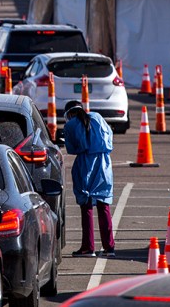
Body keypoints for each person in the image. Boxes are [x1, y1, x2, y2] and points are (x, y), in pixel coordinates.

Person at [63, 100, 116, 258]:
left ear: (69, 113)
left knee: (86, 206)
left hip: (85, 165)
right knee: (103, 204)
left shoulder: (70, 125)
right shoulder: (98, 117)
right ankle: (109, 247)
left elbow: (72, 149)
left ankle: (88, 247)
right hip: (104, 164)